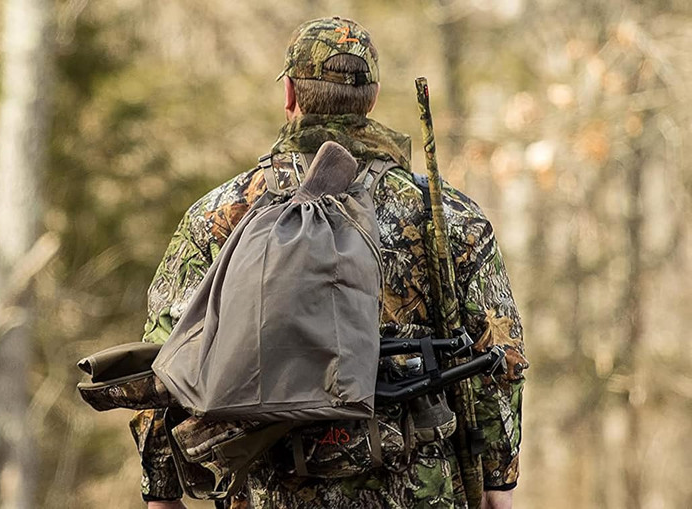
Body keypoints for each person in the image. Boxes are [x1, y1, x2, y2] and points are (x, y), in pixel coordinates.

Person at [132, 16, 528, 509]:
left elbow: (164, 364)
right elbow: (499, 357)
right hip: (416, 491)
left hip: (267, 492)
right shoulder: (447, 215)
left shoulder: (221, 214)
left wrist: (162, 495)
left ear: (291, 96)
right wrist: (497, 481)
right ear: (374, 98)